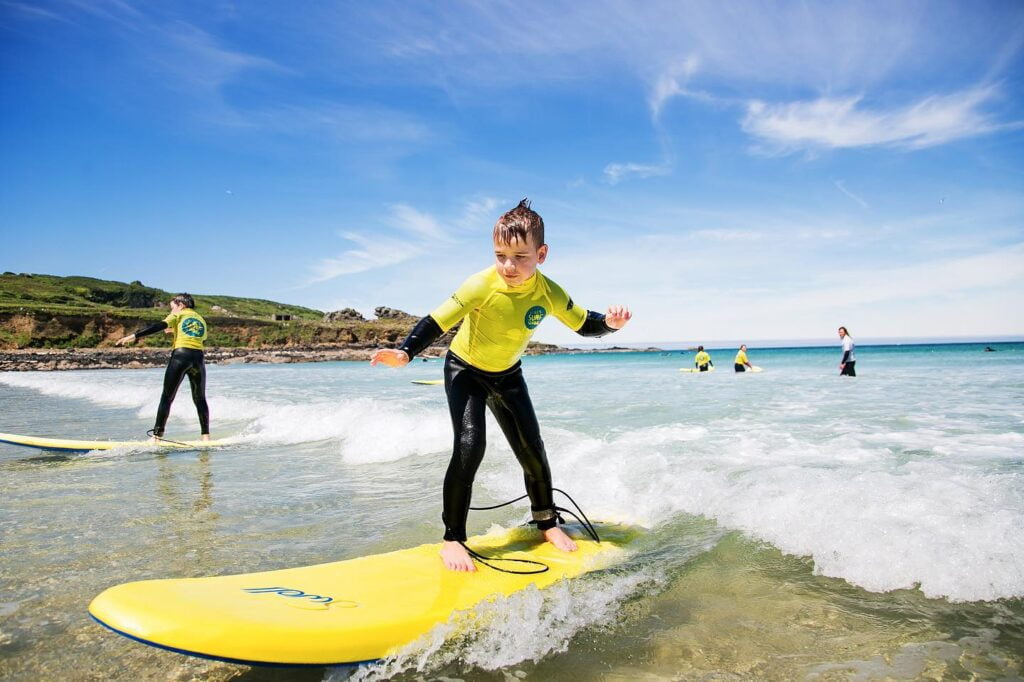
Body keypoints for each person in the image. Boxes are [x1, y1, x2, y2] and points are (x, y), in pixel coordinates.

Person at [371, 199, 631, 572]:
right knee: (469, 446)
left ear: (541, 254)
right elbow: (437, 319)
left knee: (532, 449)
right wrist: (406, 352)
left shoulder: (549, 292)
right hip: (465, 371)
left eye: (520, 256)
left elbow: (583, 323)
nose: (509, 266)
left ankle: (546, 522)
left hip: (508, 374)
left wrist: (610, 323)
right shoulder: (480, 284)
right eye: (501, 255)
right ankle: (453, 538)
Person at [117, 294, 211, 441]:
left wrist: (133, 336)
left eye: (172, 307)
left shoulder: (178, 314)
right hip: (198, 359)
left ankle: (157, 436)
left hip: (181, 356)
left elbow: (158, 326)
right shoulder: (200, 319)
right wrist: (175, 330)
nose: (171, 311)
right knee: (200, 398)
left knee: (167, 397)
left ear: (180, 305)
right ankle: (206, 436)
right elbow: (198, 336)